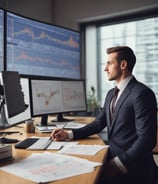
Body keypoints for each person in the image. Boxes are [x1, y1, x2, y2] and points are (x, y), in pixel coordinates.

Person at [51, 46, 158, 184]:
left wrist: (118, 164)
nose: (105, 68)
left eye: (109, 63)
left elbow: (147, 139)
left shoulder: (141, 94)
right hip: (112, 156)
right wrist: (68, 134)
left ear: (123, 65)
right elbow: (98, 124)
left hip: (133, 168)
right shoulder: (111, 94)